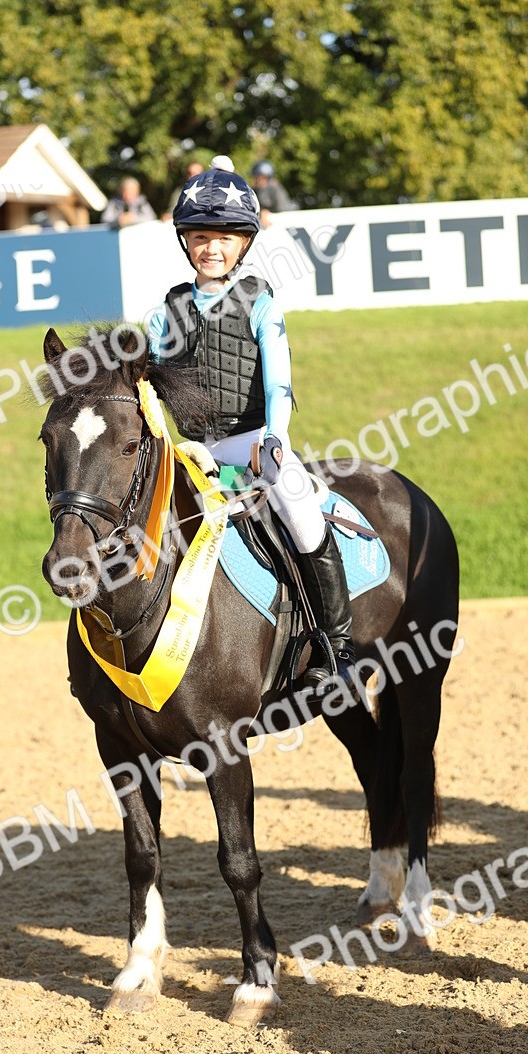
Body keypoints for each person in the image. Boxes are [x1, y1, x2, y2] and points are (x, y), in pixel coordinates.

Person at [148, 157, 355, 694]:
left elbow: (278, 382)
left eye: (222, 237)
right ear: (184, 242)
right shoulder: (165, 312)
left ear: (243, 243)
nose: (210, 248)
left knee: (298, 503)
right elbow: (144, 381)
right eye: (198, 237)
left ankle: (338, 643)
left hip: (250, 442)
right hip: (192, 449)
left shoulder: (260, 303)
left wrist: (274, 439)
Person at [250, 160, 295, 228]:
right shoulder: (254, 190)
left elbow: (282, 208)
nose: (256, 181)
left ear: (267, 177)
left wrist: (266, 212)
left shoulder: (274, 188)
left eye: (259, 178)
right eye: (255, 177)